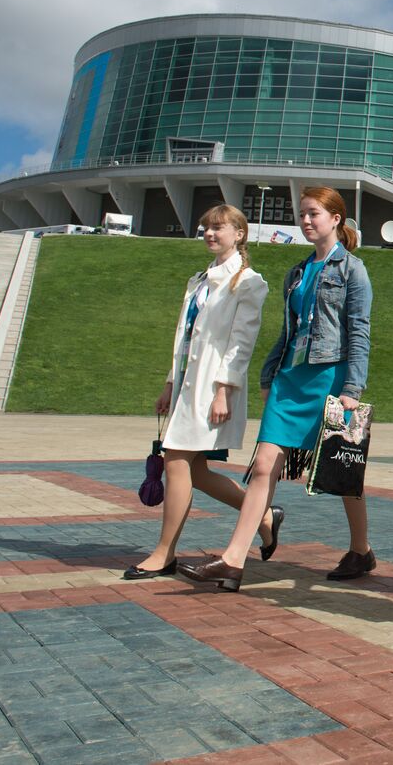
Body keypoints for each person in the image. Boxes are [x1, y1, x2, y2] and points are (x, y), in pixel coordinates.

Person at [179, 187, 373, 591]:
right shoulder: (296, 272)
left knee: (338, 469)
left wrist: (352, 387)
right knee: (265, 465)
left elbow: (359, 332)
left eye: (313, 213)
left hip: (330, 378)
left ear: (335, 218)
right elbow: (289, 331)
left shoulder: (352, 269)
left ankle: (361, 550)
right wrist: (270, 376)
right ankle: (233, 561)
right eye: (301, 214)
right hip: (290, 378)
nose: (305, 220)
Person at [126, 205, 275, 580]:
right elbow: (184, 338)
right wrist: (168, 384)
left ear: (239, 233)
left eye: (218, 228)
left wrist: (225, 390)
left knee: (176, 461)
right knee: (197, 471)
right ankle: (265, 514)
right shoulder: (199, 280)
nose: (210, 233)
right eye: (206, 228)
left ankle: (164, 553)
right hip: (185, 388)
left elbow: (241, 343)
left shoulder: (249, 282)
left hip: (212, 388)